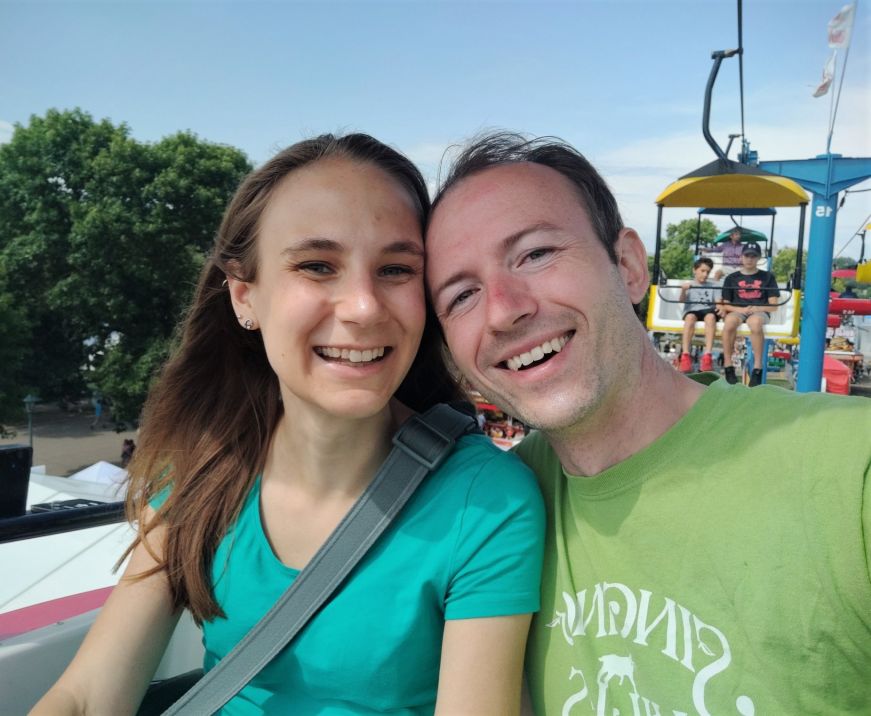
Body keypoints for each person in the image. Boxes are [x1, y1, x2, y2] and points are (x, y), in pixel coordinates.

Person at [33, 134, 544, 715]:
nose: (364, 306)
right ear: (245, 296)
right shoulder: (201, 479)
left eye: (396, 269)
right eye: (317, 266)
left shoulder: (482, 502)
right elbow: (86, 696)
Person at [425, 132, 871, 715]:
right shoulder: (487, 511)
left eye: (536, 254)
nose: (506, 309)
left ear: (630, 266)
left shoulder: (844, 465)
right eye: (462, 295)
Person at [717, 241, 780, 387]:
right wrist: (741, 310)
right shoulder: (732, 278)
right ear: (741, 257)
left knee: (755, 323)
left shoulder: (767, 277)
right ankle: (728, 365)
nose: (750, 259)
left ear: (758, 258)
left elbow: (773, 305)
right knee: (730, 322)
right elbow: (726, 304)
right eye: (747, 255)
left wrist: (757, 308)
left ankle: (757, 368)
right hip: (738, 310)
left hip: (759, 311)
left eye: (753, 256)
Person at [678, 257, 719, 373]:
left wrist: (721, 308)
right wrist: (683, 290)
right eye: (702, 271)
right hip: (693, 310)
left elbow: (717, 301)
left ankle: (707, 355)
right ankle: (685, 355)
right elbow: (681, 301)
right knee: (690, 318)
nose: (705, 274)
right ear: (694, 270)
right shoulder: (688, 285)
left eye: (708, 272)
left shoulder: (713, 285)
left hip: (707, 310)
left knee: (711, 317)